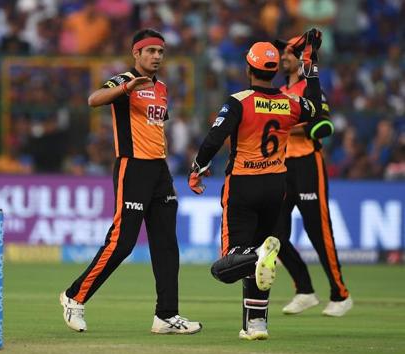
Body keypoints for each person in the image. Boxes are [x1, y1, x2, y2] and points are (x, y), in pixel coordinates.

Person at [189, 29, 331, 340]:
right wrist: (311, 63)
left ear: (248, 68)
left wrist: (198, 167)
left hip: (242, 185)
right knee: (259, 258)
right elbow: (316, 109)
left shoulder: (239, 101)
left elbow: (214, 138)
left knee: (227, 263)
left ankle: (256, 257)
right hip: (275, 186)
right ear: (273, 69)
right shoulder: (290, 103)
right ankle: (256, 325)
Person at [59, 28, 202, 335]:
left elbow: (153, 127)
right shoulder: (124, 80)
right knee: (122, 243)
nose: (156, 57)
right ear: (136, 53)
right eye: (150, 51)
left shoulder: (162, 87)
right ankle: (74, 296)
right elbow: (93, 99)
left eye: (160, 52)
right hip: (132, 168)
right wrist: (126, 89)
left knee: (166, 244)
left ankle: (166, 315)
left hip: (159, 172)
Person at [273, 36, 351, 316]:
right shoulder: (280, 90)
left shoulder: (311, 88)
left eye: (288, 55)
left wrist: (288, 129)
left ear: (301, 60)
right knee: (274, 235)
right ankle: (304, 290)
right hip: (282, 168)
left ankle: (340, 294)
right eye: (282, 55)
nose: (283, 58)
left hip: (308, 164)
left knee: (319, 232)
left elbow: (324, 126)